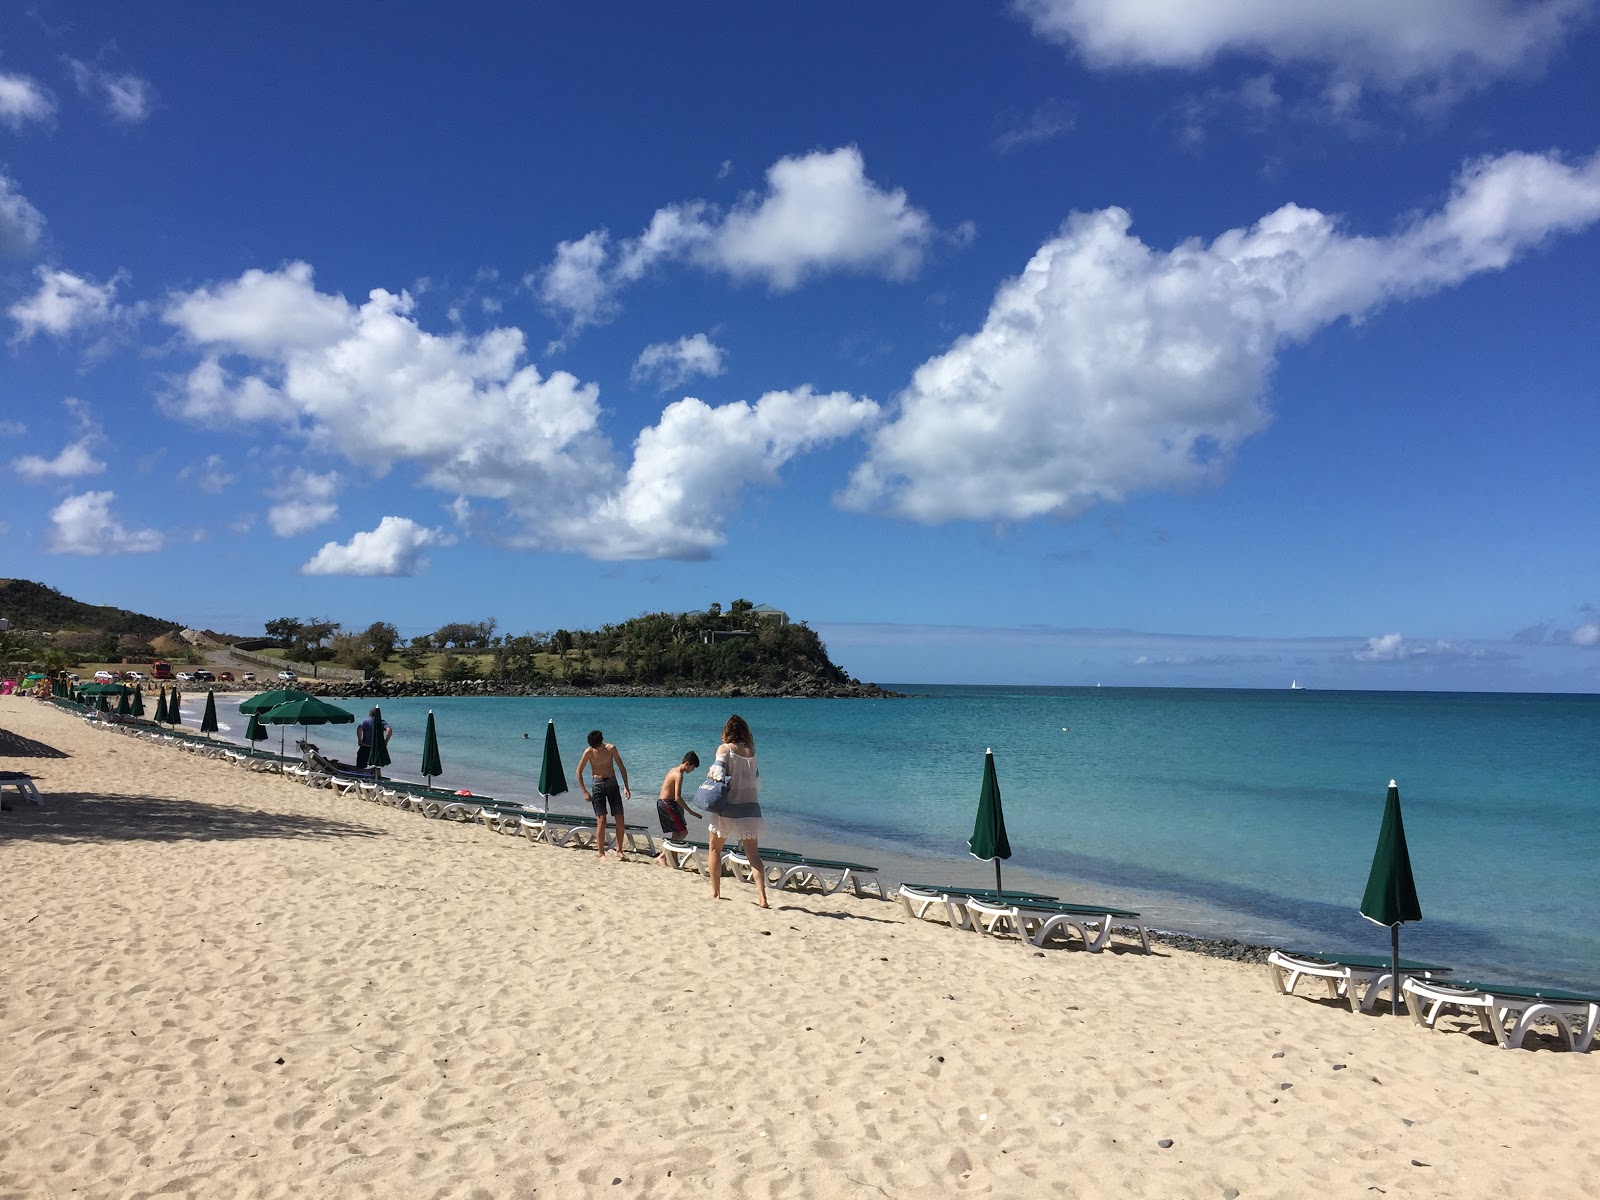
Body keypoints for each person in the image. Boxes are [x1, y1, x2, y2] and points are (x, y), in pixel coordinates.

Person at [706, 714, 767, 908]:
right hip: (750, 807)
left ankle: (715, 892)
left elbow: (716, 774)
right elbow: (756, 782)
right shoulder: (751, 753)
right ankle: (762, 898)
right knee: (753, 855)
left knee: (715, 848)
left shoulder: (725, 749)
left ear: (727, 731)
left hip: (728, 807)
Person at [577, 729, 631, 860]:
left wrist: (626, 787)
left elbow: (621, 767)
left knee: (619, 817)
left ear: (601, 741)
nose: (594, 747)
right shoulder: (588, 752)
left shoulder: (611, 748)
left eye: (595, 745)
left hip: (612, 783)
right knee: (601, 820)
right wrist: (584, 791)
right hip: (597, 784)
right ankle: (601, 853)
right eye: (592, 745)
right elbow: (578, 771)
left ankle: (619, 850)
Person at [653, 751, 701, 865]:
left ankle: (671, 859)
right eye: (693, 767)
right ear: (687, 764)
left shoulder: (673, 770)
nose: (692, 770)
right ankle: (663, 856)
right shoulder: (678, 775)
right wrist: (691, 812)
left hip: (666, 803)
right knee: (683, 832)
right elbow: (677, 797)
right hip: (667, 804)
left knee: (677, 833)